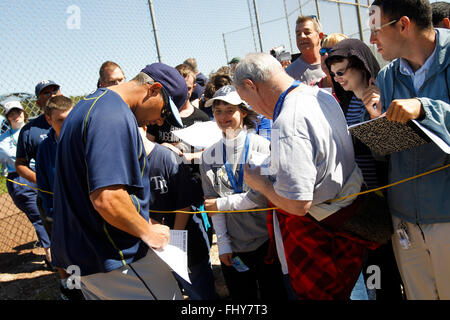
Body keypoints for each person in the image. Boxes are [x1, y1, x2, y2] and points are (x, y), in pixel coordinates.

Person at [234, 53, 380, 300]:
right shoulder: (320, 95)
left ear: (251, 86)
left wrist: (261, 184)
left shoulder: (287, 121)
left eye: (244, 100)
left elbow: (298, 204)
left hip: (324, 241)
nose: (250, 107)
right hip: (351, 225)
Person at [51, 63, 188, 300]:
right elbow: (107, 199)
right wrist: (148, 232)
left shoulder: (91, 104)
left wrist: (142, 218)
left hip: (86, 255)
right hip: (116, 257)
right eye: (165, 112)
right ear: (153, 89)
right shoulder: (113, 114)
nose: (159, 122)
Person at [363, 0, 449, 300]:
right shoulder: (387, 77)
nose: (372, 40)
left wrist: (425, 109)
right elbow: (388, 153)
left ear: (403, 25)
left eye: (376, 30)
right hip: (405, 221)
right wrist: (377, 128)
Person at [325, 38, 405, 300]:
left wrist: (376, 118)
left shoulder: (384, 92)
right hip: (366, 206)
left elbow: (390, 150)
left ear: (361, 66)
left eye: (342, 71)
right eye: (333, 74)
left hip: (392, 200)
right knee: (376, 274)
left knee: (393, 273)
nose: (337, 79)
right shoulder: (347, 103)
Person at [200, 85, 287, 301]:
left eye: (229, 110)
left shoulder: (263, 147)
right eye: (218, 111)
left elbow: (260, 197)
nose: (223, 117)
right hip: (234, 248)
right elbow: (211, 204)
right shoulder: (208, 156)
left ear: (243, 111)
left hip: (268, 243)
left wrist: (222, 204)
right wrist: (223, 244)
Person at [139, 127, 217, 300]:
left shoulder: (167, 158)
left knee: (198, 289)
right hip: (154, 243)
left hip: (185, 240)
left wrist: (174, 242)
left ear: (144, 129)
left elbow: (185, 205)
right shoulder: (127, 162)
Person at [35, 96, 83, 300]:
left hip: (85, 212)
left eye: (70, 118)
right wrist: (54, 214)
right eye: (60, 120)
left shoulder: (83, 139)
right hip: (59, 214)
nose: (67, 124)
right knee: (69, 258)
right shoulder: (45, 149)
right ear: (49, 120)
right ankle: (72, 291)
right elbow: (43, 184)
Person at [0, 100, 51, 267]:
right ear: (7, 117)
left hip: (42, 173)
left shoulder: (34, 130)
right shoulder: (3, 140)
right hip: (19, 179)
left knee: (52, 211)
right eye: (11, 113)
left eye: (18, 111)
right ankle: (52, 256)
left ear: (24, 112)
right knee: (37, 215)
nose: (16, 115)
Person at [147, 63, 210, 160]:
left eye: (188, 88)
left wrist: (189, 156)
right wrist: (162, 148)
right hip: (165, 172)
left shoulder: (202, 118)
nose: (184, 92)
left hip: (193, 173)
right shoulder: (159, 116)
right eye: (181, 88)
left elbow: (211, 153)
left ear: (194, 87)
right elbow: (147, 147)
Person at [285, 15, 326, 84]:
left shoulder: (333, 64)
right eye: (298, 34)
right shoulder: (289, 74)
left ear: (320, 36)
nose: (302, 37)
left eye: (307, 33)